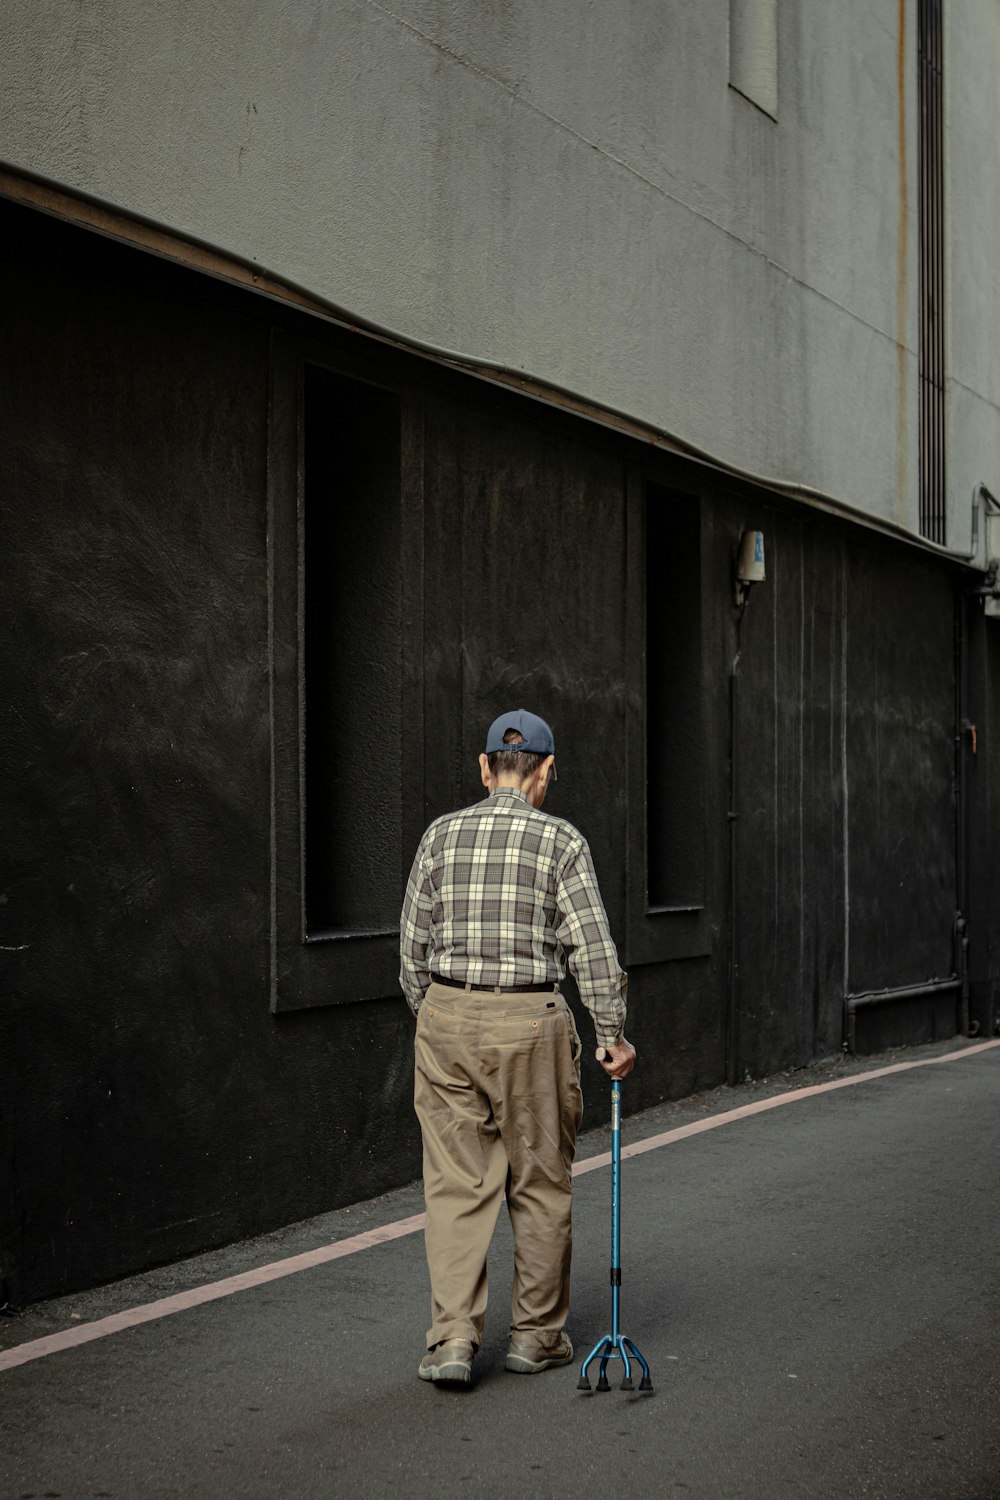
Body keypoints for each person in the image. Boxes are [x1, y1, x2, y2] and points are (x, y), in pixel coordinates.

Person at [399, 708, 636, 1387]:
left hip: (445, 1014)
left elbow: (412, 947)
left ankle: (451, 1340)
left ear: (484, 768)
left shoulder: (440, 836)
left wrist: (439, 1014)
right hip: (531, 1021)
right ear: (542, 773)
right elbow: (592, 948)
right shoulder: (561, 842)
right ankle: (535, 1337)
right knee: (538, 1181)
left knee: (454, 1186)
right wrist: (611, 1036)